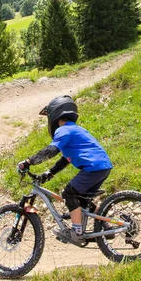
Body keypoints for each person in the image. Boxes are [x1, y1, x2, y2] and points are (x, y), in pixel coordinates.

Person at [17, 95, 113, 245]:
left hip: (93, 168)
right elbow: (66, 159)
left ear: (55, 114)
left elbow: (51, 150)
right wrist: (50, 173)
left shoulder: (64, 130)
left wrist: (29, 162)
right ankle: (105, 225)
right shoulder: (75, 129)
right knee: (81, 200)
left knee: (69, 193)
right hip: (102, 167)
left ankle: (76, 232)